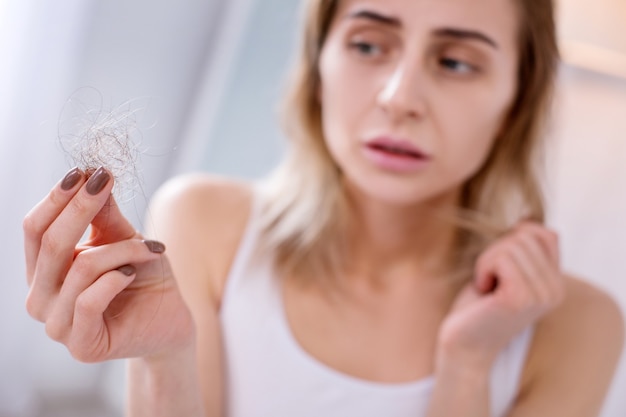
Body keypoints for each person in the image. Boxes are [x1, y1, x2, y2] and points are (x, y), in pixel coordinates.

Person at [23, 0, 624, 416]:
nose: (398, 98)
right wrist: (163, 357)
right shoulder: (205, 222)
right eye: (368, 45)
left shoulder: (577, 323)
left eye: (456, 61)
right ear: (318, 66)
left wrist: (466, 368)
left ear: (517, 100)